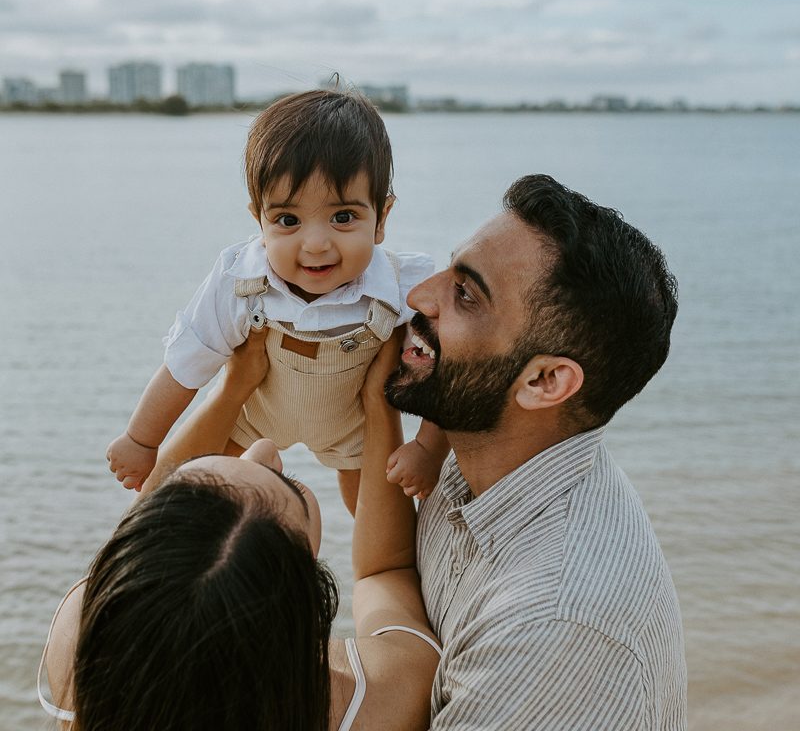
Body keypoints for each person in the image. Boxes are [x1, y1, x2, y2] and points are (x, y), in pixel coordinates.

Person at [384, 174, 687, 728]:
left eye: (466, 294)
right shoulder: (479, 453)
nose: (419, 295)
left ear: (546, 381)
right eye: (451, 269)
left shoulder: (551, 623)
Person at [39, 328, 441, 730]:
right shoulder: (384, 696)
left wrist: (236, 386)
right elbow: (385, 570)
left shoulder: (84, 654)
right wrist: (376, 402)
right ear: (306, 600)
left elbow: (144, 532)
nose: (265, 449)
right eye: (289, 487)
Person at [106, 88, 449, 513]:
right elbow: (186, 362)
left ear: (382, 218)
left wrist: (428, 449)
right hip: (255, 417)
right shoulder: (241, 279)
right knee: (191, 495)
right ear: (259, 221)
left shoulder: (401, 287)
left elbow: (446, 368)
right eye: (288, 220)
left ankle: (381, 571)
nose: (316, 244)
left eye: (343, 217)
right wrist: (142, 439)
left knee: (373, 515)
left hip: (354, 429)